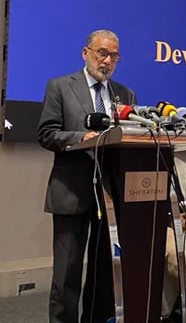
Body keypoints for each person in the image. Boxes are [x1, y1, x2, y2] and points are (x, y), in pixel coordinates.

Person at [37, 30, 136, 323]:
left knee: (104, 272)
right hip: (71, 191)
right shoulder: (60, 86)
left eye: (114, 56)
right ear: (86, 53)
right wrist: (82, 138)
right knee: (66, 274)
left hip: (109, 196)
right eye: (102, 53)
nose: (107, 61)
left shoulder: (125, 95)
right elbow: (47, 133)